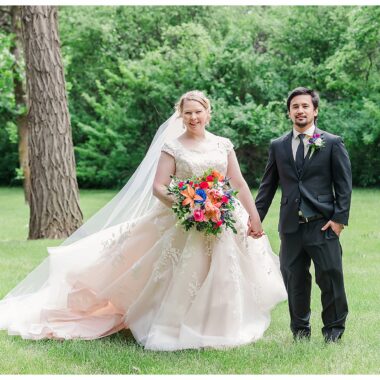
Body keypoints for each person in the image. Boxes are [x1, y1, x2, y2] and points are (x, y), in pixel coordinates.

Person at [0, 90, 286, 351]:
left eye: (198, 112)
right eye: (188, 113)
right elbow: (159, 187)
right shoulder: (173, 147)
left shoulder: (223, 145)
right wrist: (189, 203)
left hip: (222, 215)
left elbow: (237, 181)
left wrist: (254, 217)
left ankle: (222, 323)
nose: (193, 117)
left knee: (224, 271)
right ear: (181, 115)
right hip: (184, 216)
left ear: (208, 113)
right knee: (185, 270)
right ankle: (176, 323)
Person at [254, 87, 352, 343]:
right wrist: (254, 219)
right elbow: (267, 187)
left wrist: (339, 219)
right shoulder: (278, 146)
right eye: (295, 106)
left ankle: (333, 331)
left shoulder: (331, 142)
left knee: (330, 278)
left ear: (315, 111)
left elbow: (344, 184)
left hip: (323, 225)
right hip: (290, 227)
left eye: (305, 106)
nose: (300, 110)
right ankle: (300, 332)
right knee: (294, 281)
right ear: (289, 112)